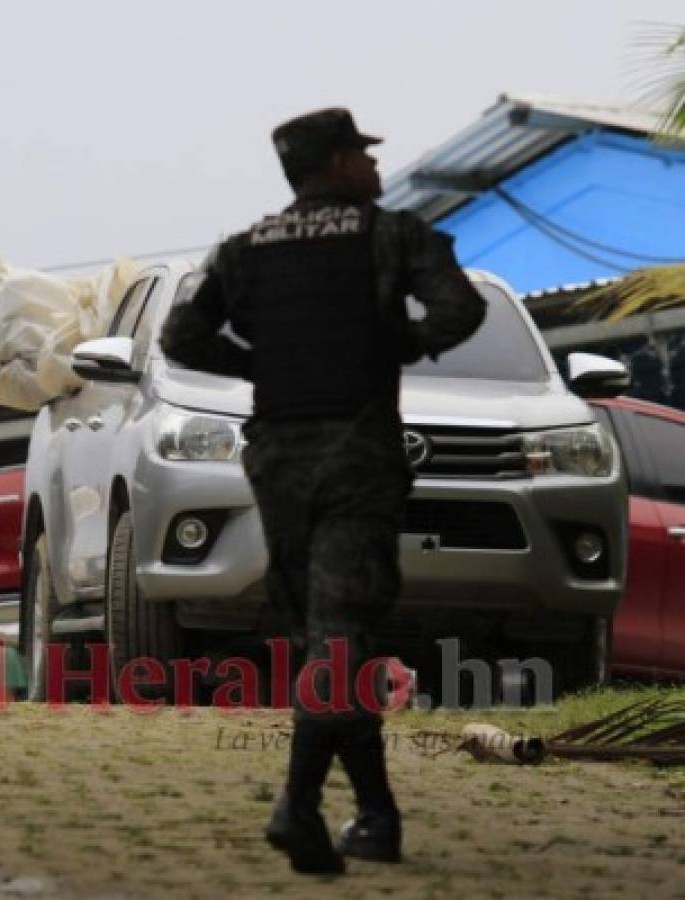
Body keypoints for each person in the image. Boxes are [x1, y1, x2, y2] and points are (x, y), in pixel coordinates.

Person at [159, 108, 485, 875]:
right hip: (354, 456)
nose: (375, 168)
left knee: (323, 639)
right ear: (336, 165)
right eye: (363, 157)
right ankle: (297, 806)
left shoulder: (243, 251)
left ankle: (377, 817)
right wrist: (395, 343)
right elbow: (459, 309)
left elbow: (180, 338)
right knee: (339, 636)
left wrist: (261, 367)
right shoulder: (390, 235)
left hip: (275, 460)